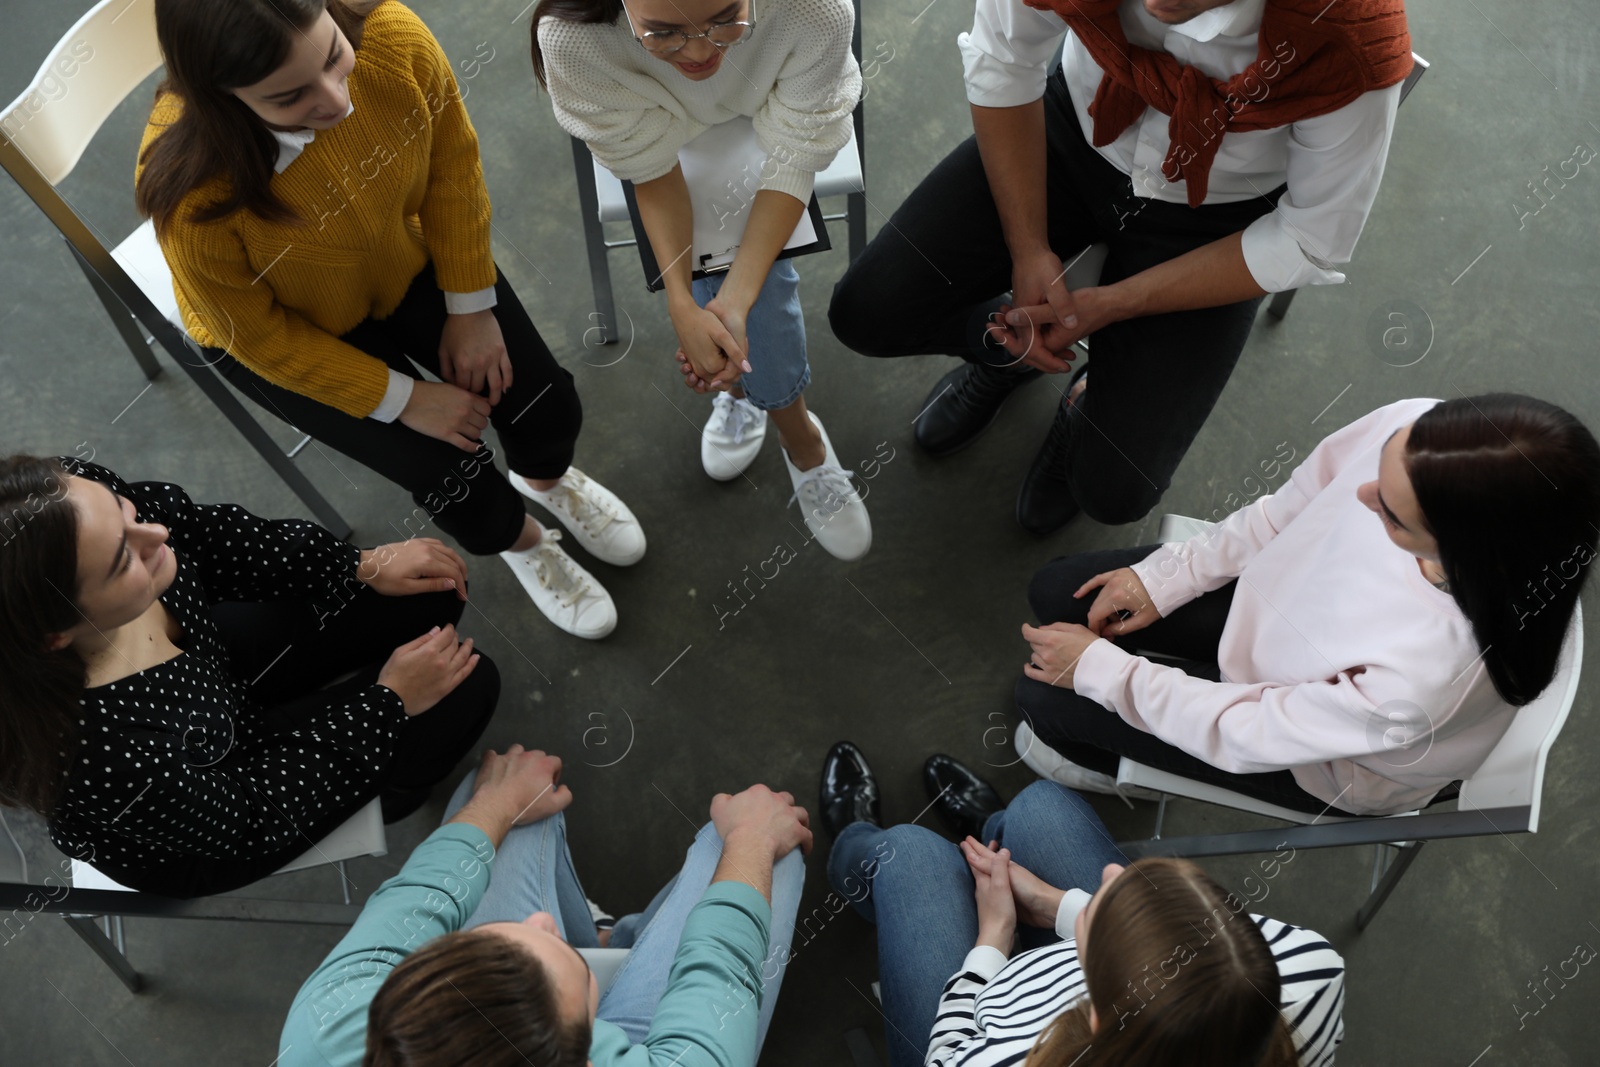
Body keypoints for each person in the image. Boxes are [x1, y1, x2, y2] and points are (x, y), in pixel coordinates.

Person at [136, 0, 643, 639]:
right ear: (221, 99)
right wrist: (400, 398)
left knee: (542, 401)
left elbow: (451, 165)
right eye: (292, 96)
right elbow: (258, 339)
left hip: (396, 255)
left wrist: (469, 304)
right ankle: (525, 541)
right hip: (290, 333)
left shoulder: (390, 36)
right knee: (451, 477)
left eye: (332, 58)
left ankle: (545, 479)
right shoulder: (192, 198)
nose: (336, 101)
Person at [828, 0, 1413, 536]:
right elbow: (1003, 58)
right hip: (1069, 131)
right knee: (868, 312)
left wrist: (1115, 304)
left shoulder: (1349, 38)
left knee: (1114, 491)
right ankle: (1005, 348)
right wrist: (1028, 248)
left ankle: (1082, 399)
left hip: (1219, 214)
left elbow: (1311, 235)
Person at [1014, 395, 1600, 816]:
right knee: (1057, 591)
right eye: (1381, 470)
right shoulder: (1416, 426)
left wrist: (1103, 672)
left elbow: (1249, 730)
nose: (1363, 493)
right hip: (1274, 619)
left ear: (1467, 551)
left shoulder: (1426, 683)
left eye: (1392, 515)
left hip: (1321, 762)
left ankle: (1120, 774)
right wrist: (1173, 575)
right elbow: (1286, 508)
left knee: (1043, 700)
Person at [0, 456, 499, 898]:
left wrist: (355, 564)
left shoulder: (70, 502)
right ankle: (397, 794)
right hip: (225, 812)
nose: (156, 535)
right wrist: (387, 703)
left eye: (124, 512)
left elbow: (209, 537)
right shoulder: (93, 755)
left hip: (215, 676)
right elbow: (251, 815)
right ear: (56, 637)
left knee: (427, 593)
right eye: (122, 559)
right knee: (469, 690)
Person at [532, 0, 873, 560]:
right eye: (663, 33)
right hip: (659, 128)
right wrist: (682, 304)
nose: (698, 51)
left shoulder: (812, 8)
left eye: (724, 17)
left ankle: (762, 406)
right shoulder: (574, 38)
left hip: (775, 109)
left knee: (746, 293)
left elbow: (793, 155)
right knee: (730, 291)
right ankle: (794, 429)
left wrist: (731, 300)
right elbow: (649, 168)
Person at [819, 743, 1344, 1067]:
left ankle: (853, 846)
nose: (1114, 873)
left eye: (1104, 912)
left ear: (1096, 1020)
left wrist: (993, 938)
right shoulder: (1310, 969)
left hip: (970, 1027)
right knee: (1042, 808)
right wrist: (1057, 905)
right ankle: (997, 829)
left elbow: (949, 1051)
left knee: (908, 854)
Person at [279, 745, 808, 1067]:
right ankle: (616, 950)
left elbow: (420, 898)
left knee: (500, 794)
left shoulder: (332, 1025)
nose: (540, 920)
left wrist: (498, 801)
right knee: (764, 858)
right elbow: (720, 978)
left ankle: (607, 947)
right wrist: (751, 844)